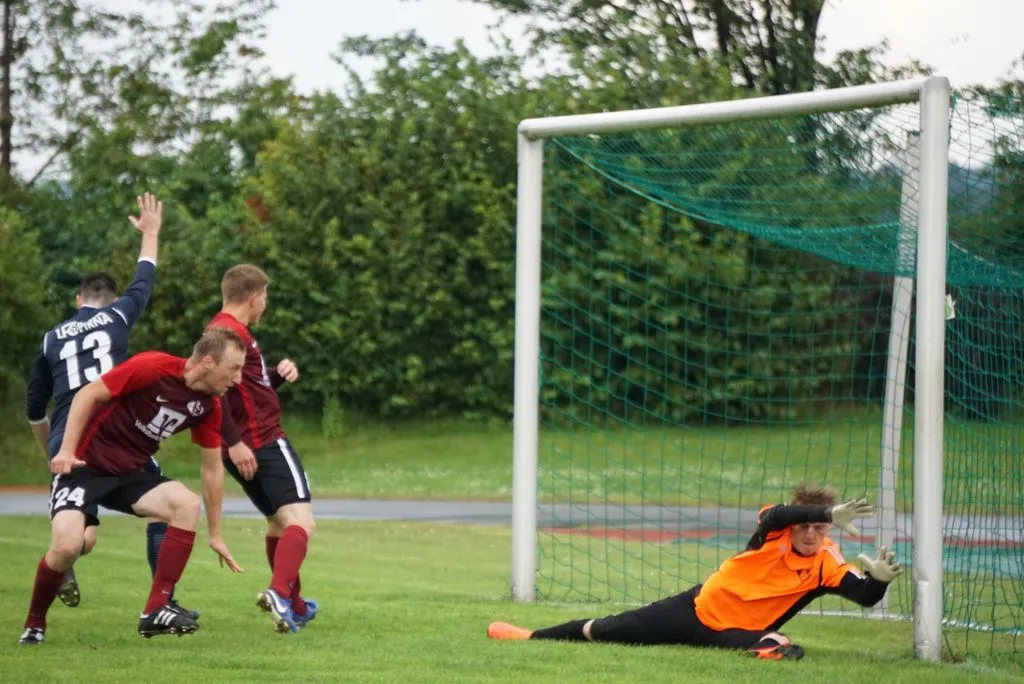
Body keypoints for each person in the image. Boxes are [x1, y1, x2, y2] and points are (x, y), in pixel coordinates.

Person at [18, 328, 251, 646]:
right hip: (84, 467)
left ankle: (156, 609)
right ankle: (34, 624)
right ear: (208, 362)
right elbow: (87, 394)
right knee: (68, 546)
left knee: (185, 503)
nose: (238, 379)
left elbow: (212, 469)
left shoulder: (210, 405)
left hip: (129, 473)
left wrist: (216, 534)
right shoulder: (152, 367)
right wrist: (67, 451)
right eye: (234, 368)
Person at [487, 484, 904, 660]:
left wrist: (879, 581)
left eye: (820, 528)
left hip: (731, 632)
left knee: (776, 642)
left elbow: (864, 595)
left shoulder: (828, 562)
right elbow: (778, 513)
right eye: (805, 526)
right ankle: (530, 635)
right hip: (695, 608)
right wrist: (826, 511)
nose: (811, 534)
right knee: (608, 629)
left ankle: (769, 647)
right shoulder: (775, 531)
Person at [22, 193, 191, 614]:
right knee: (165, 508)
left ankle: (64, 562)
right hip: (115, 435)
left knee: (83, 539)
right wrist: (151, 233)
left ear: (77, 301)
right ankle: (162, 603)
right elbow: (144, 277)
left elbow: (35, 409)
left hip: (69, 438)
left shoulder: (51, 338)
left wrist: (53, 452)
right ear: (112, 301)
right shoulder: (117, 316)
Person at [205, 264, 317, 634]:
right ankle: (280, 595)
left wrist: (276, 375)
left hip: (243, 445)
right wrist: (236, 442)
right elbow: (215, 391)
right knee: (302, 523)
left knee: (278, 524)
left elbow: (247, 387)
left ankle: (295, 606)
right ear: (254, 298)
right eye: (265, 297)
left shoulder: (227, 330)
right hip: (262, 441)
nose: (265, 304)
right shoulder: (228, 333)